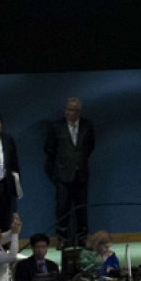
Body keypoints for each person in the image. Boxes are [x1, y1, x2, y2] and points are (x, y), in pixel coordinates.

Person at [45, 97, 96, 245]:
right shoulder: (56, 126)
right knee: (62, 208)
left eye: (71, 110)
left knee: (82, 208)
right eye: (66, 109)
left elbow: (90, 146)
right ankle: (62, 239)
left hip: (81, 174)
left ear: (78, 112)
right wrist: (62, 163)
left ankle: (82, 238)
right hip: (63, 175)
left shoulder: (87, 126)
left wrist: (78, 160)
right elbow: (49, 148)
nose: (67, 112)